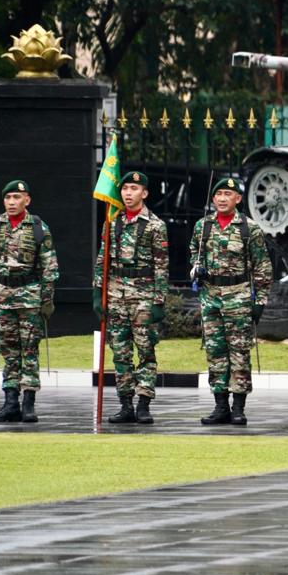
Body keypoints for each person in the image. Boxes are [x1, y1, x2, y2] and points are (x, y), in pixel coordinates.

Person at [189, 178, 272, 426]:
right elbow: (194, 251)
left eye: (228, 194)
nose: (223, 198)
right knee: (215, 352)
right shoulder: (203, 226)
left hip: (239, 294)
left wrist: (260, 301)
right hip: (211, 295)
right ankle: (220, 405)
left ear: (237, 199)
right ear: (213, 199)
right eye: (219, 194)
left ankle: (238, 407)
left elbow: (263, 267)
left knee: (239, 353)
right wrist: (197, 268)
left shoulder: (249, 228)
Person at [92, 171, 169, 424]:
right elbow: (103, 260)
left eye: (134, 188)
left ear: (144, 193)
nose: (127, 193)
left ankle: (144, 402)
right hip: (115, 294)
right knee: (120, 352)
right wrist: (98, 293)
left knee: (146, 351)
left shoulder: (156, 225)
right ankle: (125, 404)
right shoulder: (112, 223)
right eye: (125, 188)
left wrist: (159, 301)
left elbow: (161, 266)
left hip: (143, 296)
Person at [0, 180, 59, 423]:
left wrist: (46, 301)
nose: (11, 202)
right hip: (3, 297)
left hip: (30, 297)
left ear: (27, 200)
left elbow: (49, 267)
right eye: (8, 198)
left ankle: (28, 403)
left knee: (29, 351)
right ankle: (10, 403)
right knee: (9, 352)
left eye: (16, 197)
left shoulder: (38, 227)